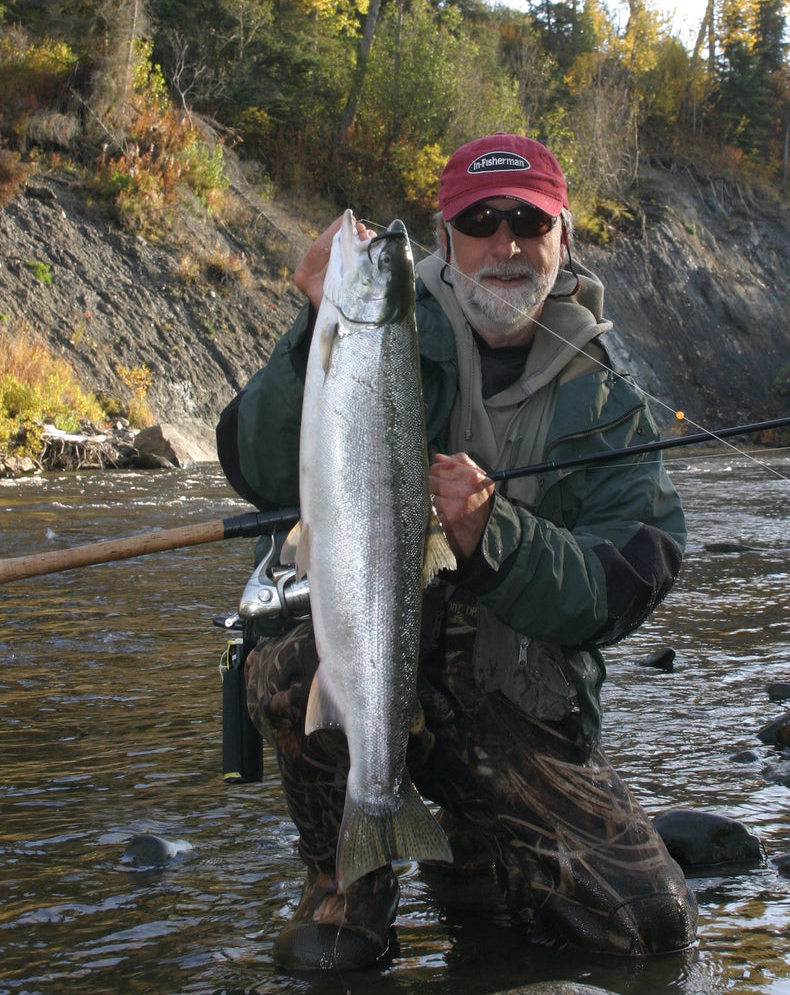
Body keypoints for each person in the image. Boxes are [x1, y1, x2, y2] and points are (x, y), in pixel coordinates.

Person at [216, 132, 697, 971]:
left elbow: (621, 587)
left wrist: (492, 535)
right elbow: (256, 469)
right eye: (480, 222)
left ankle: (471, 848)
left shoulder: (609, 403)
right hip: (367, 649)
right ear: (445, 240)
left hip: (515, 697)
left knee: (645, 932)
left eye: (528, 223)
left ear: (564, 239)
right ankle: (349, 881)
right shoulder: (379, 325)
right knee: (290, 666)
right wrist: (310, 330)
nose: (504, 245)